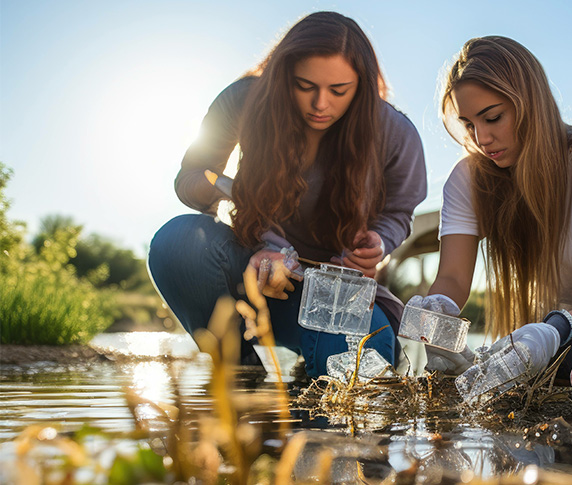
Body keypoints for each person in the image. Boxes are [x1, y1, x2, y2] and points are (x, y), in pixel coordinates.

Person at [148, 12, 426, 377]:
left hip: (336, 293)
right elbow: (189, 179)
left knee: (358, 368)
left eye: (338, 91)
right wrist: (233, 194)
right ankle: (241, 376)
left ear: (362, 85)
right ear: (282, 76)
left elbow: (398, 213)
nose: (320, 104)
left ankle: (314, 368)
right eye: (304, 85)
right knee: (180, 241)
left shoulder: (394, 131)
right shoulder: (244, 100)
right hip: (249, 271)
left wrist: (380, 240)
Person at [413, 36, 572, 379]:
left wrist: (556, 327)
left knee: (549, 372)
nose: (481, 139)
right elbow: (452, 276)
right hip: (557, 306)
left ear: (530, 103)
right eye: (470, 124)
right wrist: (437, 313)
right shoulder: (468, 179)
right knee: (495, 373)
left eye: (493, 117)